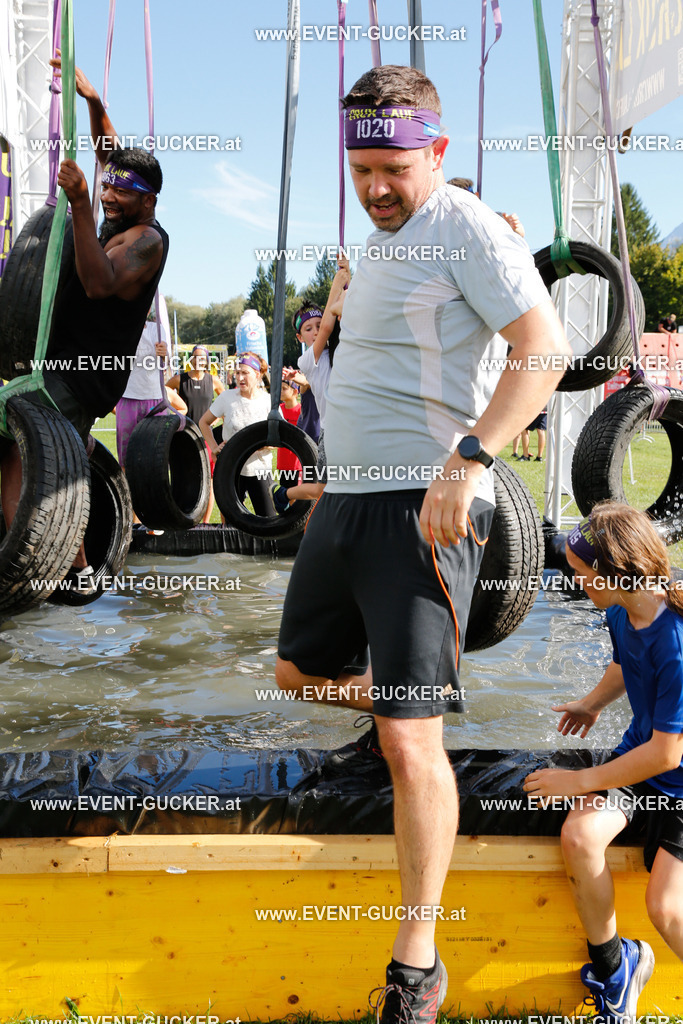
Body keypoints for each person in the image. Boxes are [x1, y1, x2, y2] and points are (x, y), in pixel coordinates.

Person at [275, 64, 570, 1023]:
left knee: (410, 739)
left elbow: (546, 348)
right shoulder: (375, 243)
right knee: (292, 672)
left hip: (425, 505)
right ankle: (402, 702)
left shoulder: (469, 227)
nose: (375, 187)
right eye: (361, 169)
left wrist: (468, 462)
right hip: (348, 504)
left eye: (393, 168)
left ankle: (417, 966)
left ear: (436, 153)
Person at [0, 55, 168, 592]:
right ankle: (77, 575)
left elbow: (97, 284)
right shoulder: (119, 204)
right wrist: (95, 103)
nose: (110, 196)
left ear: (151, 199)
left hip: (84, 375)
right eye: (107, 187)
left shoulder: (146, 241)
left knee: (16, 447)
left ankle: (35, 569)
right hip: (64, 363)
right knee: (54, 457)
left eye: (123, 191)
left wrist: (79, 204)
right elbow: (110, 151)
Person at [524, 502, 683, 1021]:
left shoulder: (677, 641)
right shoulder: (619, 610)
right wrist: (592, 703)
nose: (578, 585)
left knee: (666, 909)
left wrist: (580, 780)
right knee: (580, 836)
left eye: (583, 576)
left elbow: (668, 751)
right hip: (641, 764)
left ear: (620, 573)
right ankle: (617, 968)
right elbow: (623, 662)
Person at [272, 259, 349, 512]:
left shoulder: (339, 349)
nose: (316, 331)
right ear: (299, 337)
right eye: (308, 329)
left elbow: (344, 312)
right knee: (321, 488)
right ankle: (283, 492)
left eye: (317, 326)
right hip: (332, 430)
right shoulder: (308, 359)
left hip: (351, 427)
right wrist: (335, 285)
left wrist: (346, 277)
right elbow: (329, 322)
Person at [198, 352, 275, 517]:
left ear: (257, 374)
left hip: (260, 469)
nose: (240, 377)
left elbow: (280, 437)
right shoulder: (227, 397)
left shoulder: (269, 401)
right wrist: (213, 448)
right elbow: (203, 422)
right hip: (231, 469)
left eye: (245, 373)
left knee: (269, 521)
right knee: (231, 524)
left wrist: (261, 445)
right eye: (237, 372)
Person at [167, 345, 225, 522]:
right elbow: (162, 395)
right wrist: (174, 414)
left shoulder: (213, 381)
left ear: (207, 361)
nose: (198, 360)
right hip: (184, 435)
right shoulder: (179, 380)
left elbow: (225, 404)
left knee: (209, 479)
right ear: (191, 359)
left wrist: (213, 421)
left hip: (206, 436)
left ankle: (206, 522)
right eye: (195, 357)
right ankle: (183, 516)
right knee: (184, 475)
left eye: (202, 357)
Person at [115, 308, 171, 468]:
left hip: (155, 399)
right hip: (127, 397)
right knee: (125, 455)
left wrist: (164, 354)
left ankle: (156, 490)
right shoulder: (119, 328)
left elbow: (166, 362)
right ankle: (127, 490)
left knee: (158, 452)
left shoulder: (157, 329)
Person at [276, 376, 302, 489]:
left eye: (284, 388)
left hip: (298, 464)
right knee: (285, 495)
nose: (281, 391)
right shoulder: (278, 410)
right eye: (279, 388)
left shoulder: (302, 412)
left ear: (295, 391)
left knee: (298, 497)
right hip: (283, 463)